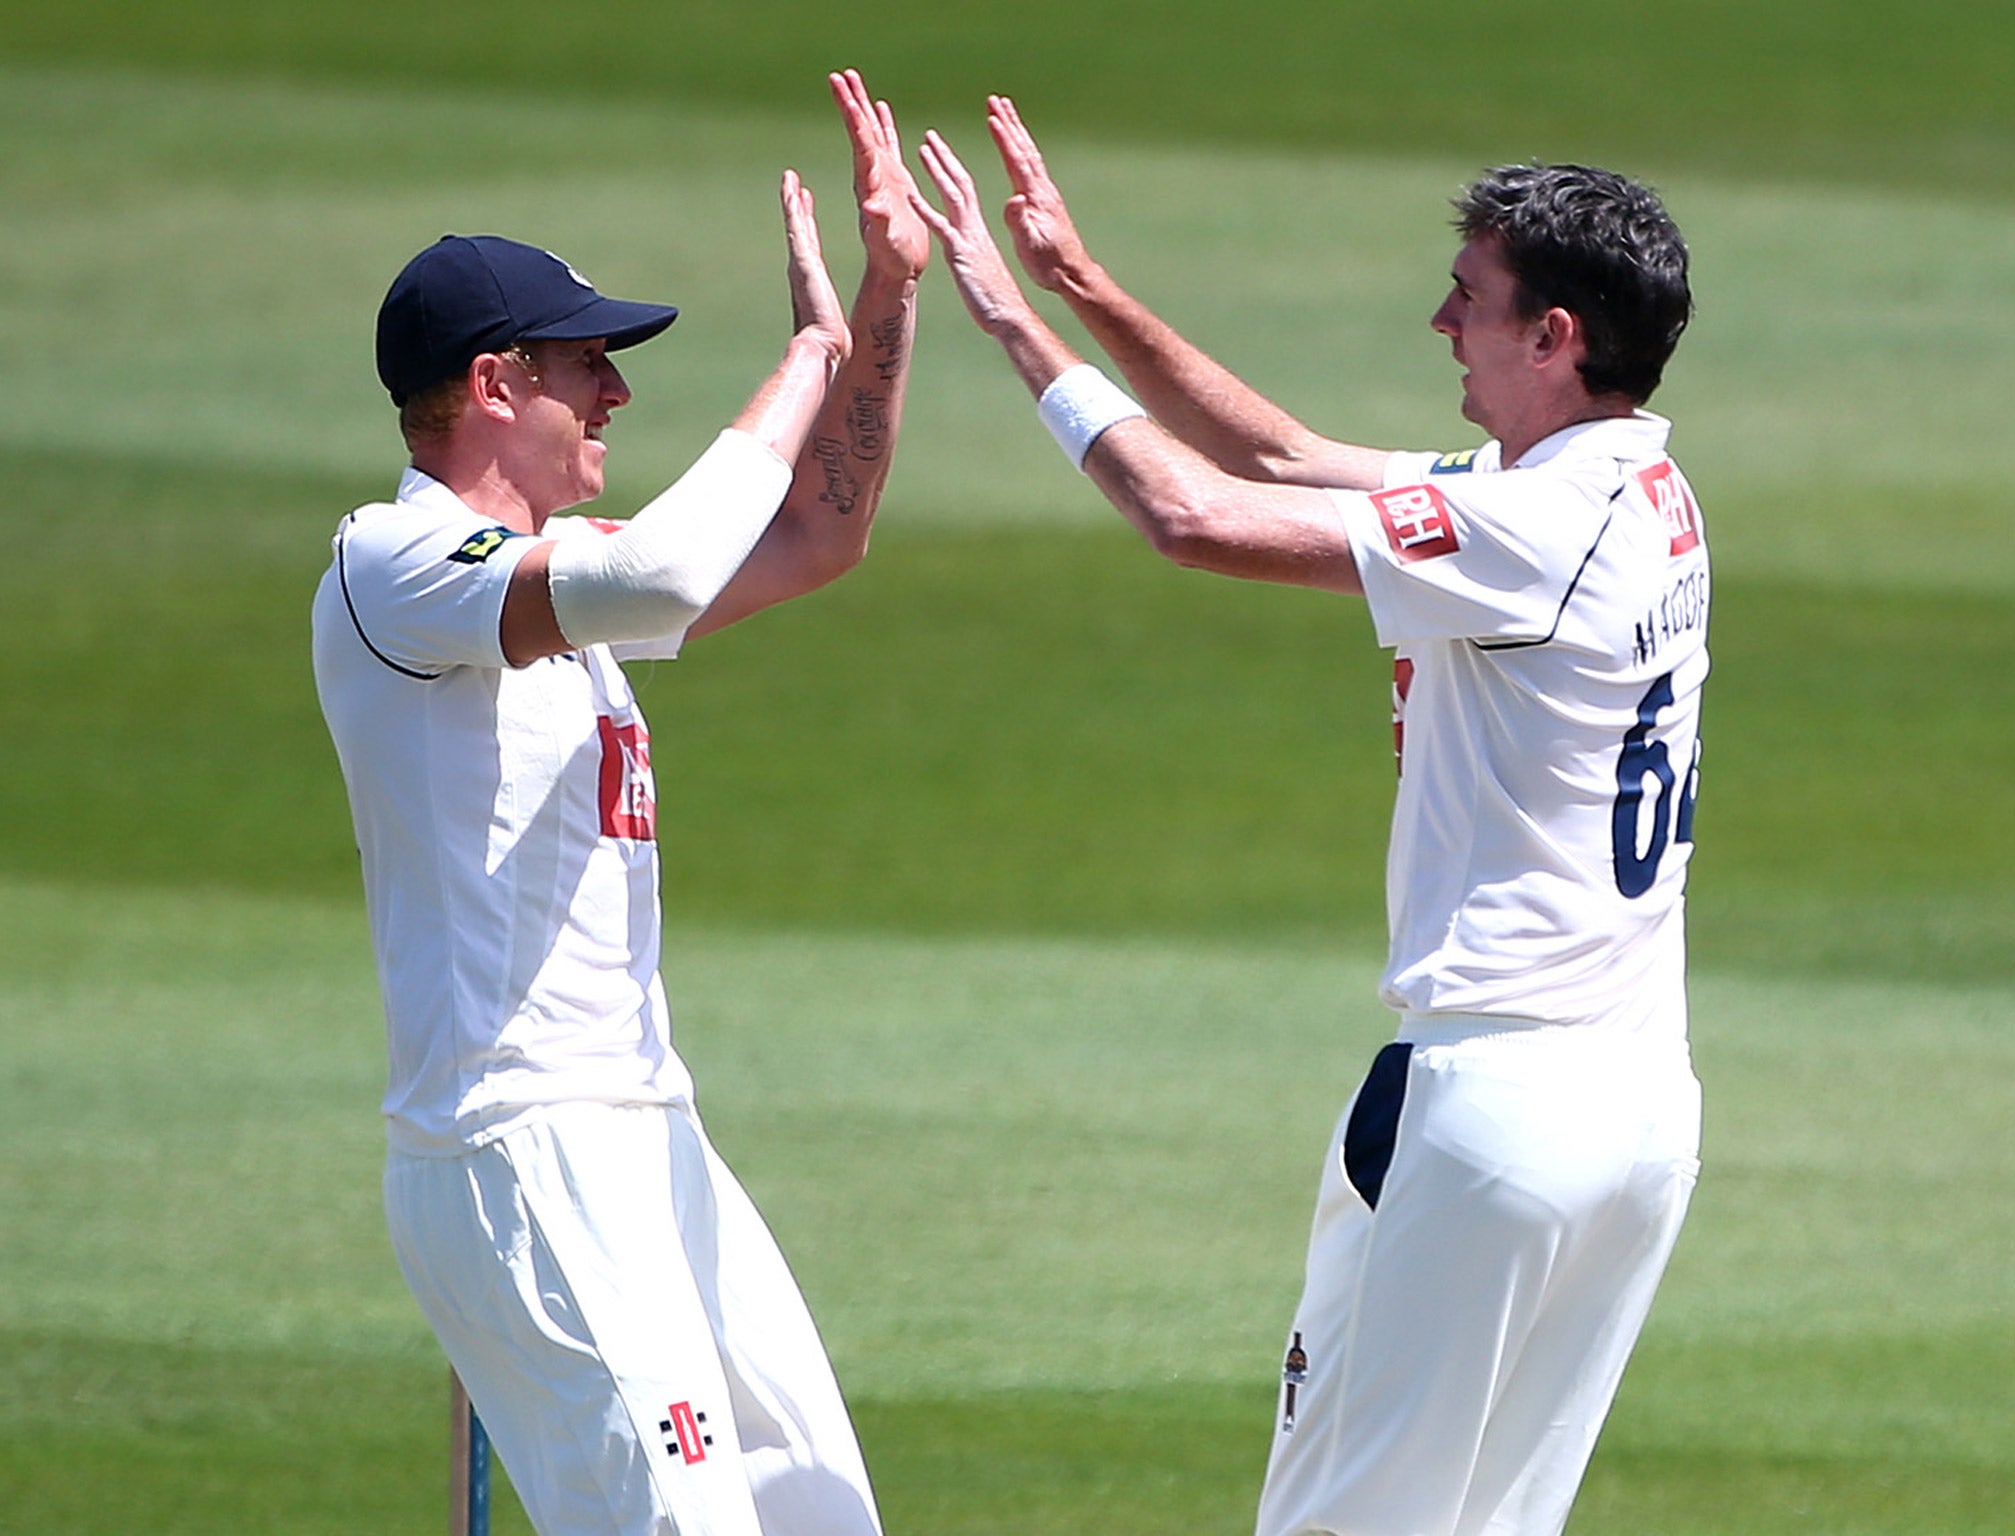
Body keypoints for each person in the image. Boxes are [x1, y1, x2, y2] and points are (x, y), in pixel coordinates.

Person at [909, 99, 1706, 1536]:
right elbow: (1279, 456)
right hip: (1638, 1110)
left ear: (1557, 336)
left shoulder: (1526, 527)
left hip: (1500, 1108)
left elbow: (1195, 518)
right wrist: (1082, 286)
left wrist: (1015, 334)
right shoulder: (1625, 480)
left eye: (1471, 301)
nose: (1440, 322)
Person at [311, 71, 926, 1536]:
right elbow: (655, 572)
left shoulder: (549, 585)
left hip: (649, 1132)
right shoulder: (393, 568)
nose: (618, 392)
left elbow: (813, 537)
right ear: (493, 384)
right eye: (591, 362)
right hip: (520, 1149)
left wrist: (887, 295)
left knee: (823, 1514)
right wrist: (806, 352)